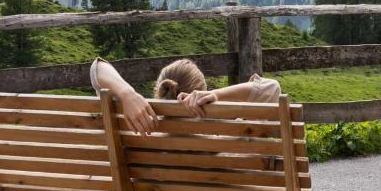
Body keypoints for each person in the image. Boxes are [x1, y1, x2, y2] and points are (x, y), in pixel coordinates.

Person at [90, 55, 281, 134]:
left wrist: (128, 94)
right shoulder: (226, 135)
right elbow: (272, 89)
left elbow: (97, 68)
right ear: (201, 91)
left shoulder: (138, 131)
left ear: (159, 91)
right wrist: (216, 95)